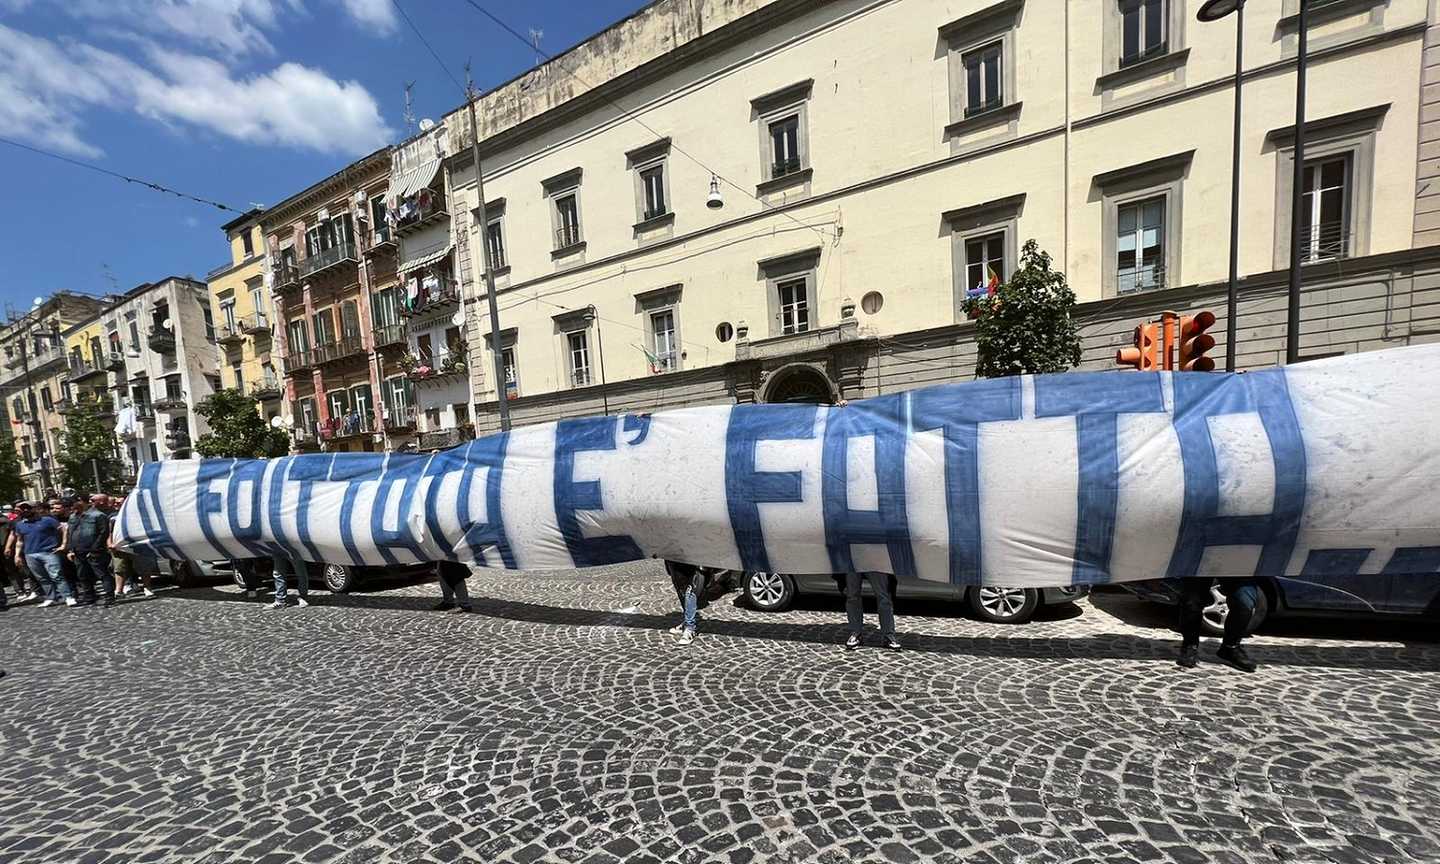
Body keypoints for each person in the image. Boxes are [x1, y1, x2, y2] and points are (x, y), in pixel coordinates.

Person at [1177, 578, 1258, 672]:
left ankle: (1230, 647)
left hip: (1240, 567)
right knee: (1192, 602)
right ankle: (1190, 645)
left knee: (1244, 603)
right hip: (1202, 565)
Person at [8, 502, 73, 608]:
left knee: (57, 576)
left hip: (49, 552)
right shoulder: (20, 524)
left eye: (28, 508)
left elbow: (63, 529)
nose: (25, 511)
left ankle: (68, 597)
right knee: (42, 578)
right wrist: (17, 555)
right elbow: (19, 541)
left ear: (34, 509)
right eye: (23, 509)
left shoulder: (47, 520)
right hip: (30, 554)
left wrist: (64, 544)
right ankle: (51, 597)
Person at [63, 493, 116, 607]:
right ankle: (89, 597)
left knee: (102, 573)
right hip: (78, 550)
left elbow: (103, 533)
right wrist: (70, 549)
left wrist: (95, 548)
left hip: (94, 550)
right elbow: (70, 533)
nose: (74, 505)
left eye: (77, 502)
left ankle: (109, 596)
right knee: (83, 575)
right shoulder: (73, 516)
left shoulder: (98, 515)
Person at [843, 571, 901, 651]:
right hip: (853, 561)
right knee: (852, 595)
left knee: (883, 596)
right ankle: (855, 632)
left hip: (876, 562)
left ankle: (888, 635)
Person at [665, 560, 709, 646]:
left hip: (690, 559)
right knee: (681, 588)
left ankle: (690, 627)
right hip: (672, 556)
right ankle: (687, 621)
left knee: (690, 589)